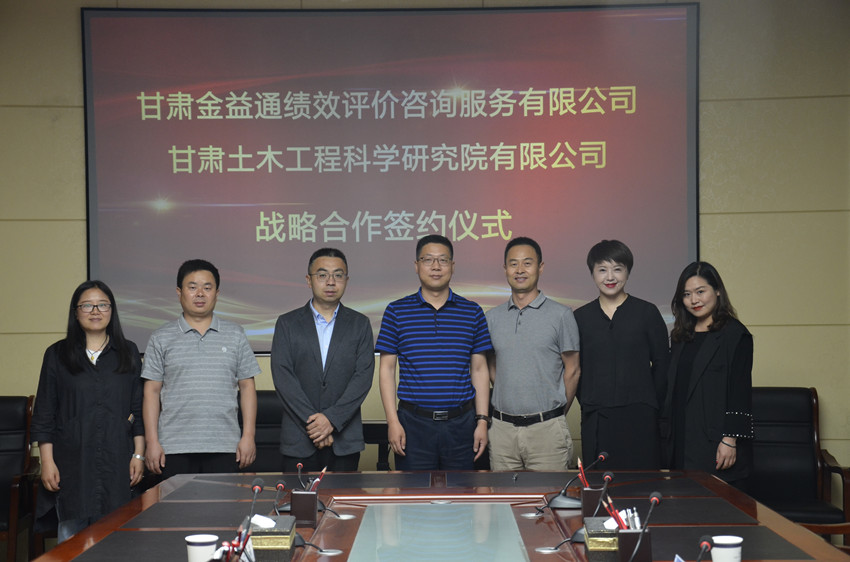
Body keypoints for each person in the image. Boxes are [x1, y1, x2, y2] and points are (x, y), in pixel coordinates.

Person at [31, 280, 144, 542]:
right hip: (72, 463)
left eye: (103, 304)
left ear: (112, 310)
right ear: (75, 312)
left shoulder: (127, 352)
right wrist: (47, 462)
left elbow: (137, 408)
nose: (95, 311)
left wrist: (138, 455)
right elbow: (45, 413)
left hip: (118, 459)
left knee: (119, 542)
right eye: (87, 305)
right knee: (72, 542)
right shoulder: (57, 354)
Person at [376, 234, 493, 470]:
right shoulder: (396, 311)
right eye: (428, 260)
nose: (436, 266)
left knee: (464, 491)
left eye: (443, 260)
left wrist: (482, 421)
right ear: (416, 265)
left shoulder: (472, 312)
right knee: (413, 492)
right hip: (412, 425)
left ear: (452, 266)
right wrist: (392, 422)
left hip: (462, 425)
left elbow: (480, 370)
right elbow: (386, 370)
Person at [142, 259, 260, 478]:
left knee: (224, 502)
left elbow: (247, 387)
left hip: (225, 445)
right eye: (192, 287)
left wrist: (248, 437)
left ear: (217, 293)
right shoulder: (161, 337)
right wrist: (152, 442)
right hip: (172, 447)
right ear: (179, 292)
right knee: (173, 502)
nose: (200, 294)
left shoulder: (235, 334)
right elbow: (152, 392)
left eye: (207, 287)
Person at [270, 248, 375, 472]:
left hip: (344, 440)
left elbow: (363, 378)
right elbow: (283, 378)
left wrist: (332, 420)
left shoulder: (360, 324)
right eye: (322, 275)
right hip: (299, 440)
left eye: (338, 275)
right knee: (296, 496)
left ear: (346, 280)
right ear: (309, 280)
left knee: (345, 496)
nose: (330, 282)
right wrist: (316, 425)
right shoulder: (287, 324)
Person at [485, 237, 580, 471]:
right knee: (503, 495)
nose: (520, 270)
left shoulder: (561, 315)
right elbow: (492, 365)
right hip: (502, 431)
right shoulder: (492, 318)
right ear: (505, 269)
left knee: (551, 495)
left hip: (547, 430)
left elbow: (573, 369)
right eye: (513, 263)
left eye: (527, 263)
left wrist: (555, 415)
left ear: (540, 267)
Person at [574, 240, 670, 469]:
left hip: (640, 416)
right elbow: (574, 368)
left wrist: (649, 402)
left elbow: (662, 364)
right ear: (592, 273)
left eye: (617, 269)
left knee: (641, 482)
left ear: (628, 272)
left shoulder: (647, 312)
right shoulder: (580, 318)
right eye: (602, 270)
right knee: (599, 483)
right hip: (597, 417)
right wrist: (589, 400)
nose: (610, 277)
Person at [661, 261, 753, 488]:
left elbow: (740, 390)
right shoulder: (680, 335)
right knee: (680, 501)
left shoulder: (735, 334)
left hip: (714, 439)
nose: (694, 300)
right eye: (687, 294)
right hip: (680, 436)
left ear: (717, 290)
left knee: (711, 503)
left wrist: (730, 440)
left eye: (700, 291)